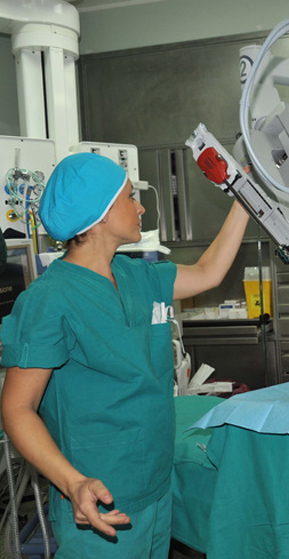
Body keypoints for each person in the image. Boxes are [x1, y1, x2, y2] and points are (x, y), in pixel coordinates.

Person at [0, 152, 249, 558]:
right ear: (99, 215)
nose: (141, 207)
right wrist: (73, 482)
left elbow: (209, 272)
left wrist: (245, 199)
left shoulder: (136, 276)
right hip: (96, 500)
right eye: (130, 197)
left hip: (154, 489)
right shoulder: (49, 300)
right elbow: (16, 409)